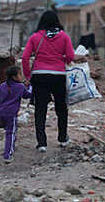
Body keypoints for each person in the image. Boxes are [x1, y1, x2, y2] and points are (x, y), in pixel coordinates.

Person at [22, 10, 74, 152]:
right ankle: (62, 138)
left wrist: (28, 77)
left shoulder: (35, 37)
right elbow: (70, 56)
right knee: (61, 107)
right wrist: (61, 60)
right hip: (58, 75)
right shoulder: (64, 37)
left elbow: (25, 57)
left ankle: (42, 143)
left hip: (39, 75)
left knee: (40, 108)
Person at [0, 66, 32, 162]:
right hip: (11, 114)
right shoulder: (20, 87)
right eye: (20, 74)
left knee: (9, 131)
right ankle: (8, 154)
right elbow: (27, 95)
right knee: (11, 133)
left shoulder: (2, 86)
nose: (22, 76)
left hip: (1, 112)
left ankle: (11, 146)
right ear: (14, 77)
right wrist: (30, 86)